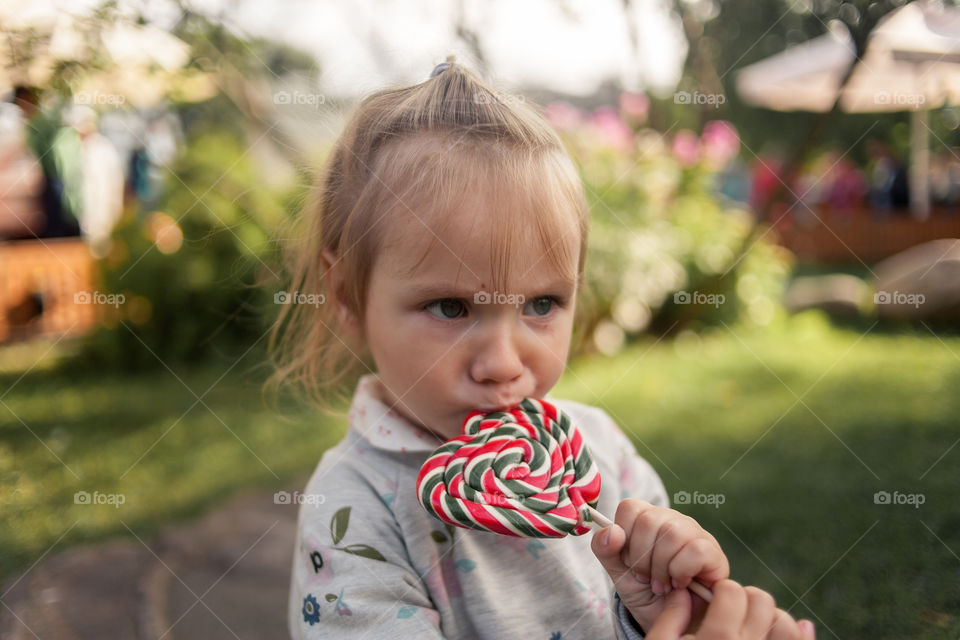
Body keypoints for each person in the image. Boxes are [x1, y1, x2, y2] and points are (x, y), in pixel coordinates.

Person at [269, 60, 816, 640]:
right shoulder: (353, 510)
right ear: (346, 295)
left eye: (541, 304)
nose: (505, 364)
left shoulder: (597, 453)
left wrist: (664, 613)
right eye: (451, 308)